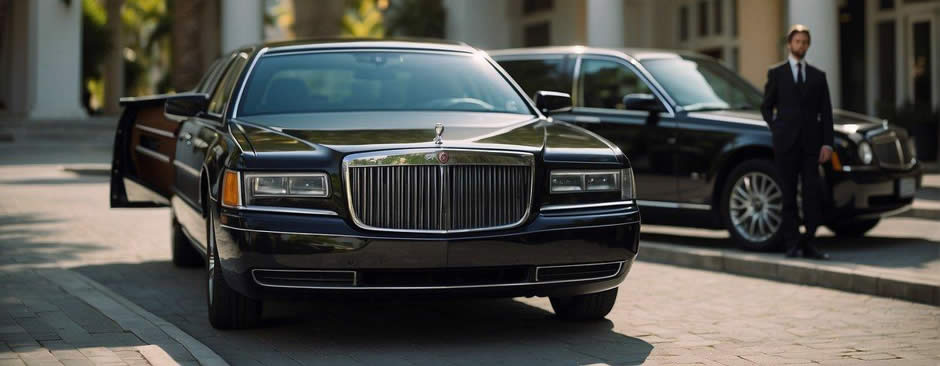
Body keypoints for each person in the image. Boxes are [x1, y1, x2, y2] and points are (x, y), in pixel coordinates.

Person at [760, 24, 833, 260]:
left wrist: (827, 144)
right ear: (790, 44)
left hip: (812, 147)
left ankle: (810, 242)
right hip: (786, 146)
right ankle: (791, 243)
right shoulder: (777, 73)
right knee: (788, 195)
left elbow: (827, 113)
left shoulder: (818, 76)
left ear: (808, 45)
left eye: (804, 42)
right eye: (797, 41)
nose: (800, 45)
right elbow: (766, 107)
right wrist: (777, 129)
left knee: (812, 195)